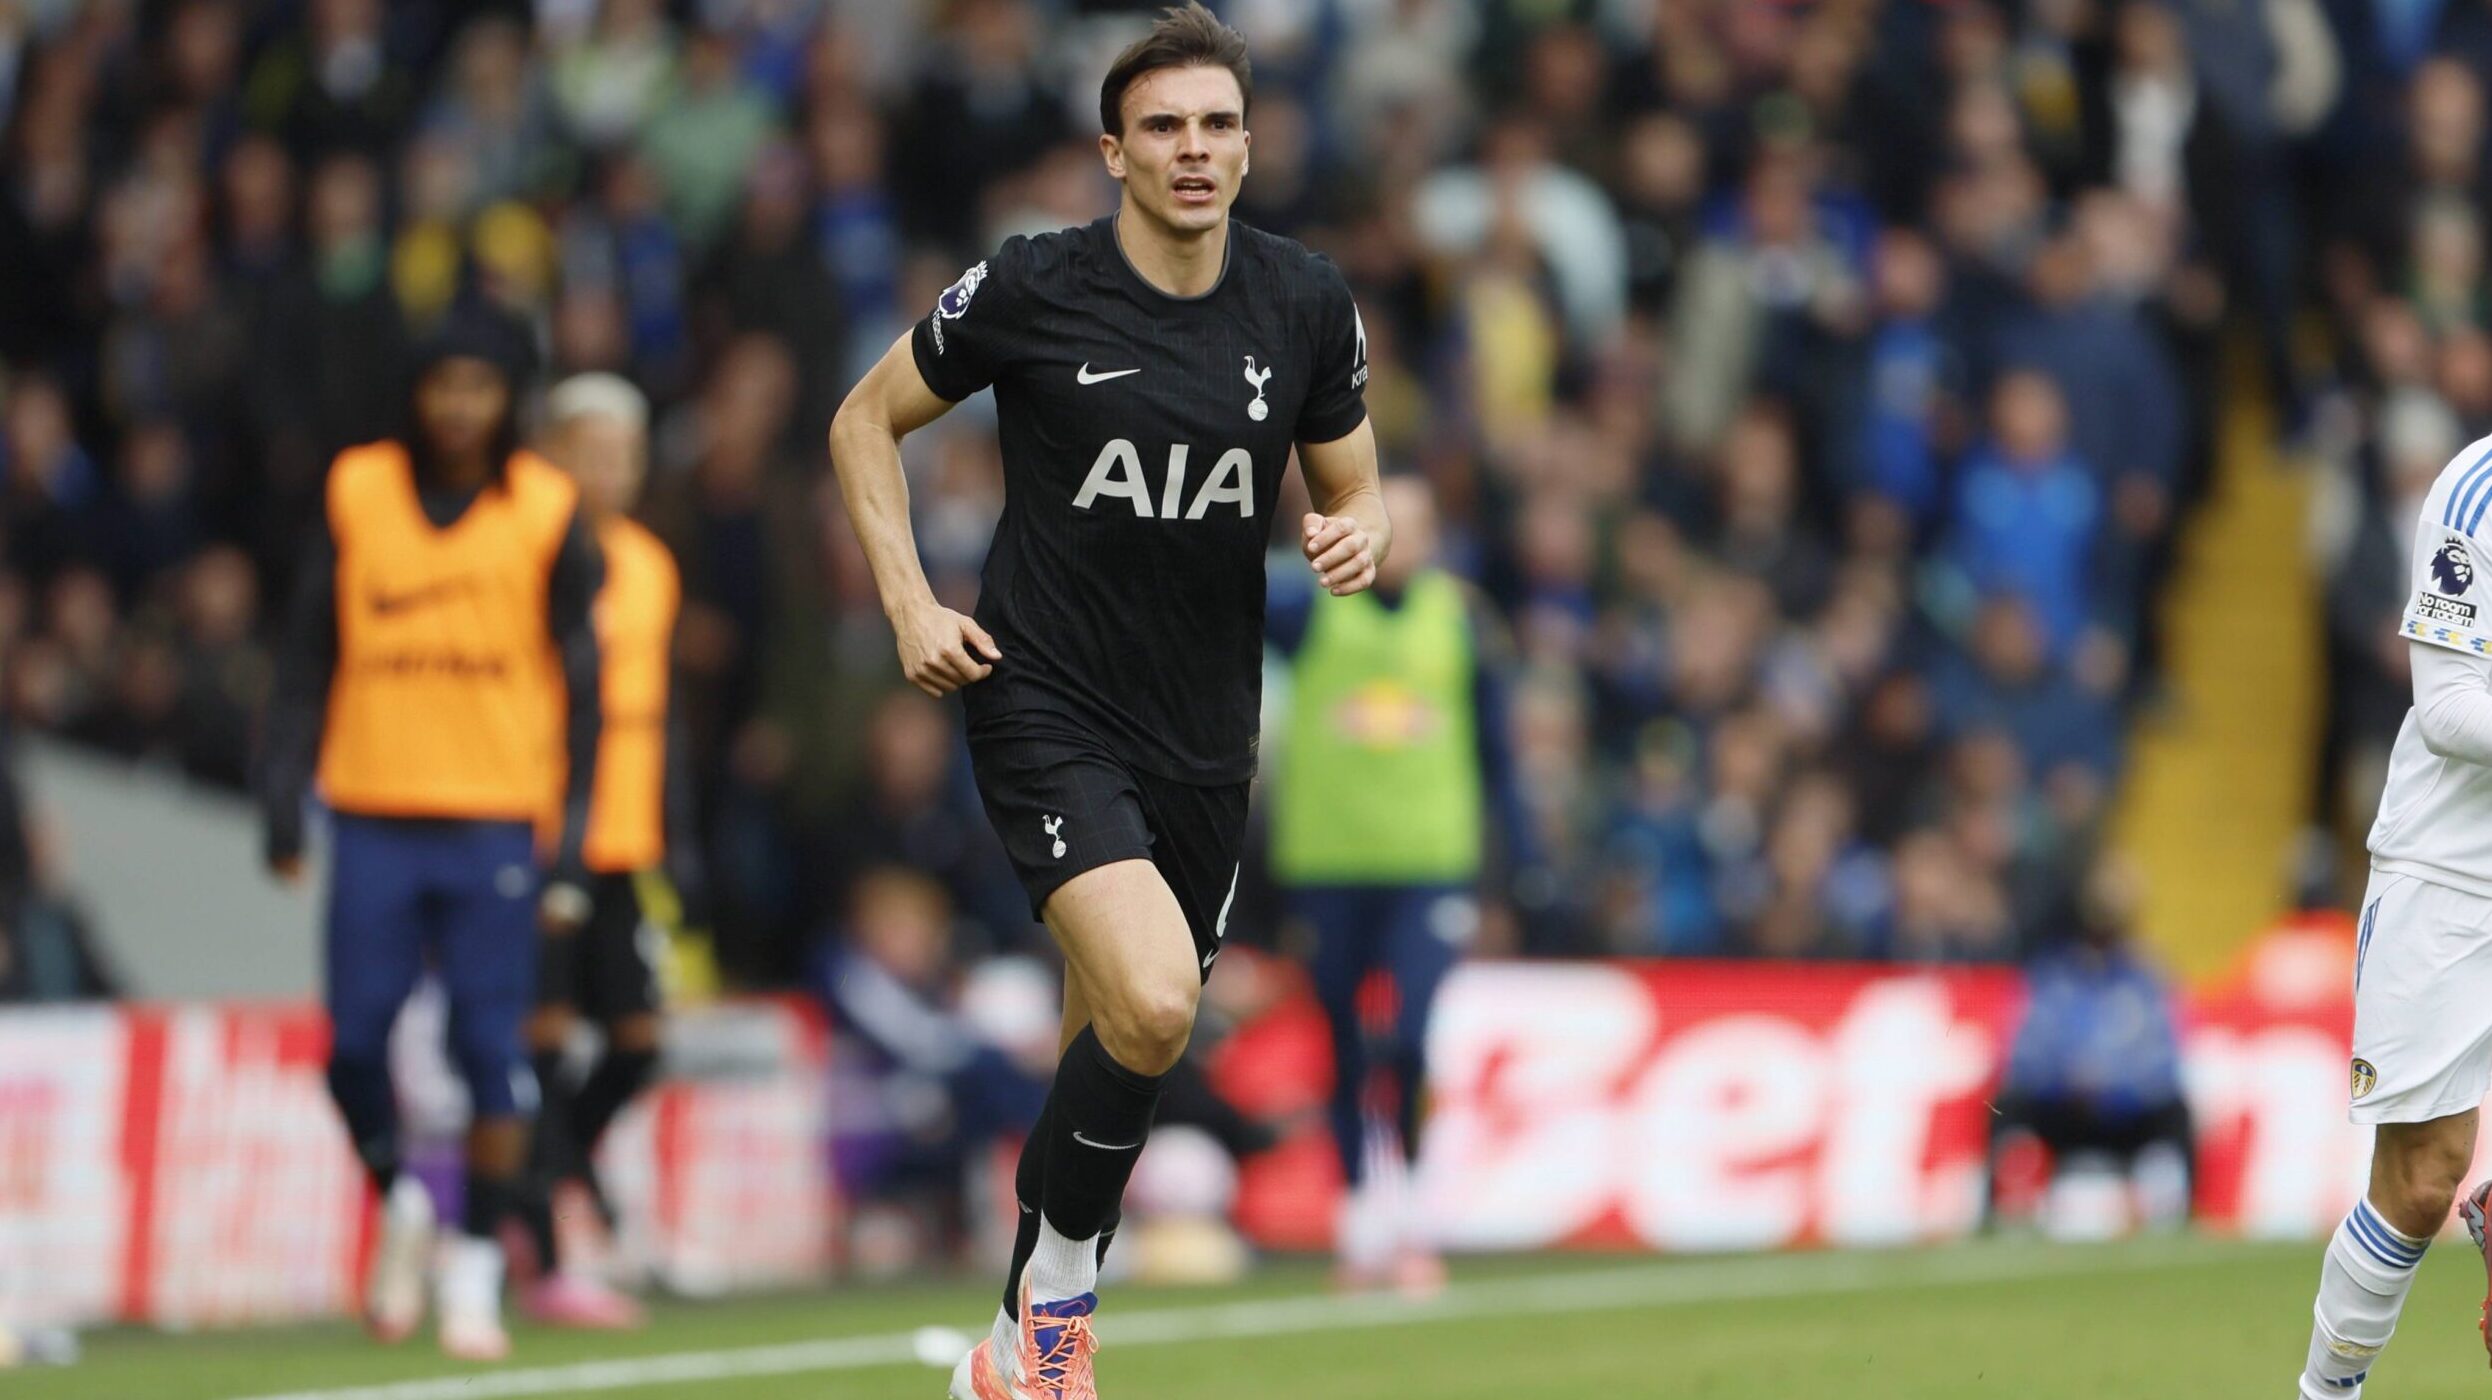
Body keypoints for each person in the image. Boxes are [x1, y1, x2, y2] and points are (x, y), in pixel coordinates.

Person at [826, 7, 1386, 1396]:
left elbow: (1353, 481)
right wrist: (909, 602)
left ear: (1249, 149)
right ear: (1114, 154)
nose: (1193, 150)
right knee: (1153, 1001)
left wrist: (1355, 531)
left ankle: (1015, 1359)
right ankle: (1063, 1307)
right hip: (1044, 699)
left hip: (1206, 733)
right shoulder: (1033, 288)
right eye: (1164, 128)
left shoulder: (1306, 303)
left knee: (1114, 1043)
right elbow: (861, 422)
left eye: (1216, 126)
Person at [256, 303, 603, 1362]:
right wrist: (280, 793)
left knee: (488, 1049)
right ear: (415, 390)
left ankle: (474, 1268)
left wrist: (575, 835)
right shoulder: (358, 489)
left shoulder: (545, 508)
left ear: (509, 398)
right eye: (443, 383)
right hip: (370, 809)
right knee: (351, 1045)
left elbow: (586, 686)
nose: (459, 406)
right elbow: (308, 652)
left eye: (481, 386)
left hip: (494, 816)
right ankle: (402, 1195)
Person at [1265, 472, 1524, 1294]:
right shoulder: (1309, 610)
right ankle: (1358, 1220)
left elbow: (1498, 753)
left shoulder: (1462, 623)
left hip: (1427, 868)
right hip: (1329, 866)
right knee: (1341, 1038)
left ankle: (1408, 1207)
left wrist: (1516, 865)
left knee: (1409, 1036)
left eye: (1414, 527)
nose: (1396, 541)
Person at [2296, 430, 2492, 1396]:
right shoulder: (2475, 491)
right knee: (2421, 1180)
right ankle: (2325, 1394)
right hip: (2455, 875)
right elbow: (2450, 708)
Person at [517, 372, 688, 1330]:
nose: (611, 472)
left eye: (625, 455)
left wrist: (681, 838)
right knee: (538, 1041)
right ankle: (546, 1245)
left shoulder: (651, 565)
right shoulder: (525, 557)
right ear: (551, 455)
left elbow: (662, 721)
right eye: (593, 452)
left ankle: (544, 1178)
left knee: (636, 1045)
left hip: (625, 840)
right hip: (541, 833)